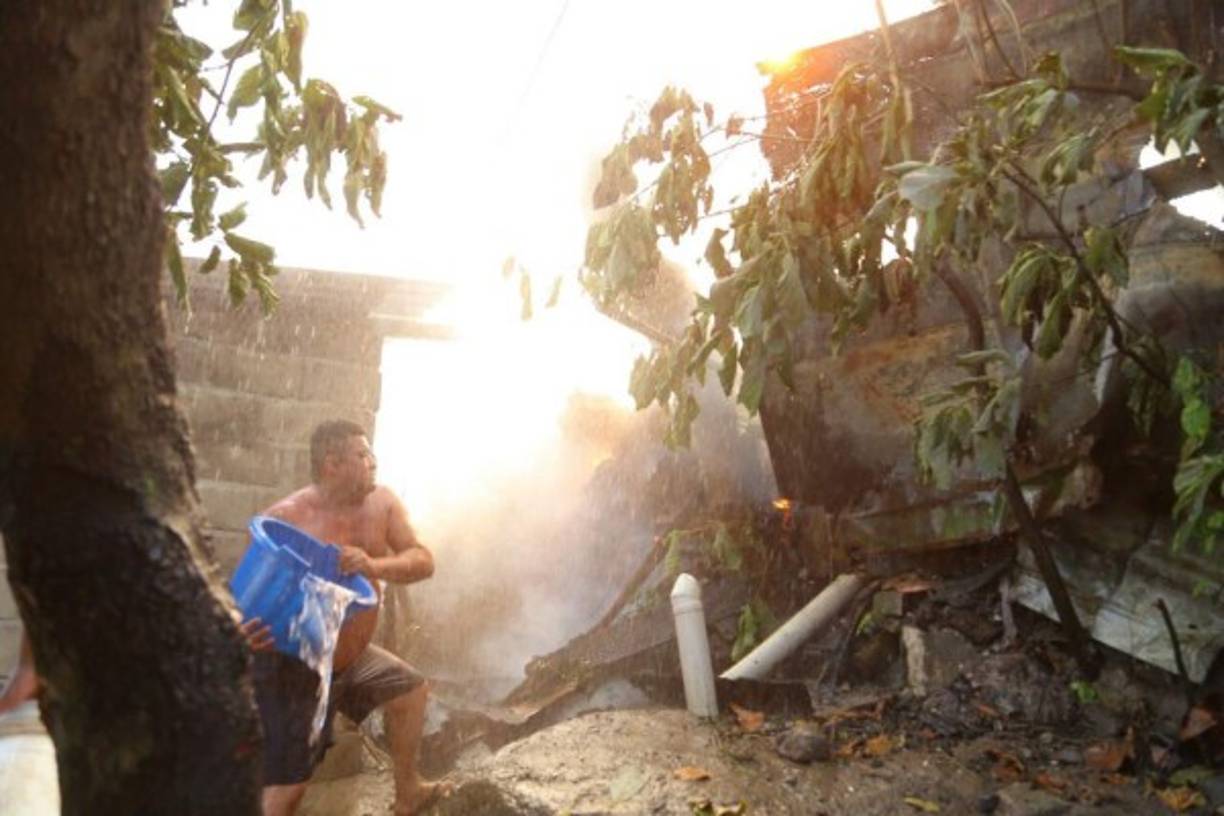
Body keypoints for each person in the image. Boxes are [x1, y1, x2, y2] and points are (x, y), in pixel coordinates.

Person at [246, 420, 444, 816]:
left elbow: (423, 560)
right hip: (300, 665)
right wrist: (241, 634)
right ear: (332, 464)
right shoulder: (288, 516)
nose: (373, 461)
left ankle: (408, 793)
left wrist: (374, 564)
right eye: (362, 455)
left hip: (356, 656)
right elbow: (251, 590)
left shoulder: (383, 503)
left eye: (371, 453)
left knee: (410, 692)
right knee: (288, 788)